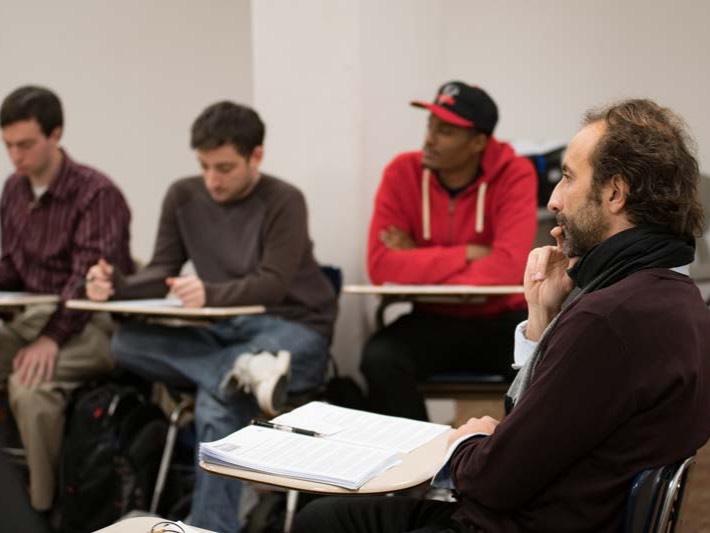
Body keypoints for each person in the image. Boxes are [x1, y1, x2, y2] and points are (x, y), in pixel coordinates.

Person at [294, 99, 710, 532]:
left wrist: (466, 441)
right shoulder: (674, 300)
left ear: (615, 193)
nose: (553, 200)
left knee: (322, 522)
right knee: (328, 515)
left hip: (511, 523)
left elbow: (491, 483)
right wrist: (541, 317)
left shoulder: (607, 319)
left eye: (567, 178)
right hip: (549, 512)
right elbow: (533, 429)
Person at [85, 101, 337, 533]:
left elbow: (273, 283)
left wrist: (209, 293)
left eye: (224, 168)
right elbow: (162, 271)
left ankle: (209, 527)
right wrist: (115, 286)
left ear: (256, 156)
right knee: (125, 342)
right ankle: (240, 370)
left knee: (219, 401)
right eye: (204, 166)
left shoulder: (284, 200)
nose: (212, 181)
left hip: (294, 329)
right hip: (227, 336)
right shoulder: (183, 194)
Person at [361, 81, 538, 420]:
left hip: (501, 320)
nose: (429, 138)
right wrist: (470, 252)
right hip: (433, 319)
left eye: (445, 131)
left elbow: (507, 268)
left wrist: (417, 257)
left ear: (478, 142)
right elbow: (382, 267)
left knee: (541, 364)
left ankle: (509, 463)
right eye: (430, 125)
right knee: (379, 359)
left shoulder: (515, 173)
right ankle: (417, 465)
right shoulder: (402, 172)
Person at [0, 85, 133, 512]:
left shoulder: (96, 193)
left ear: (55, 134)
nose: (16, 156)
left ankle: (41, 511)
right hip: (32, 318)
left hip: (89, 324)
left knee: (30, 389)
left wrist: (51, 339)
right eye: (8, 146)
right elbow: (11, 270)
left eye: (26, 144)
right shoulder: (14, 191)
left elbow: (86, 284)